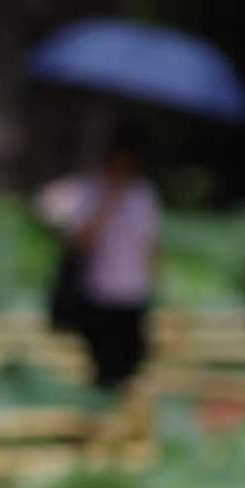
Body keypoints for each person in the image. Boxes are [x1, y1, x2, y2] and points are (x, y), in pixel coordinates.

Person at [63, 123, 159, 392]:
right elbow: (77, 242)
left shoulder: (143, 194)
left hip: (133, 292)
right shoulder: (89, 191)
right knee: (101, 366)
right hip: (99, 292)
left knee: (131, 366)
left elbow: (150, 244)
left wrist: (155, 286)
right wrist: (105, 205)